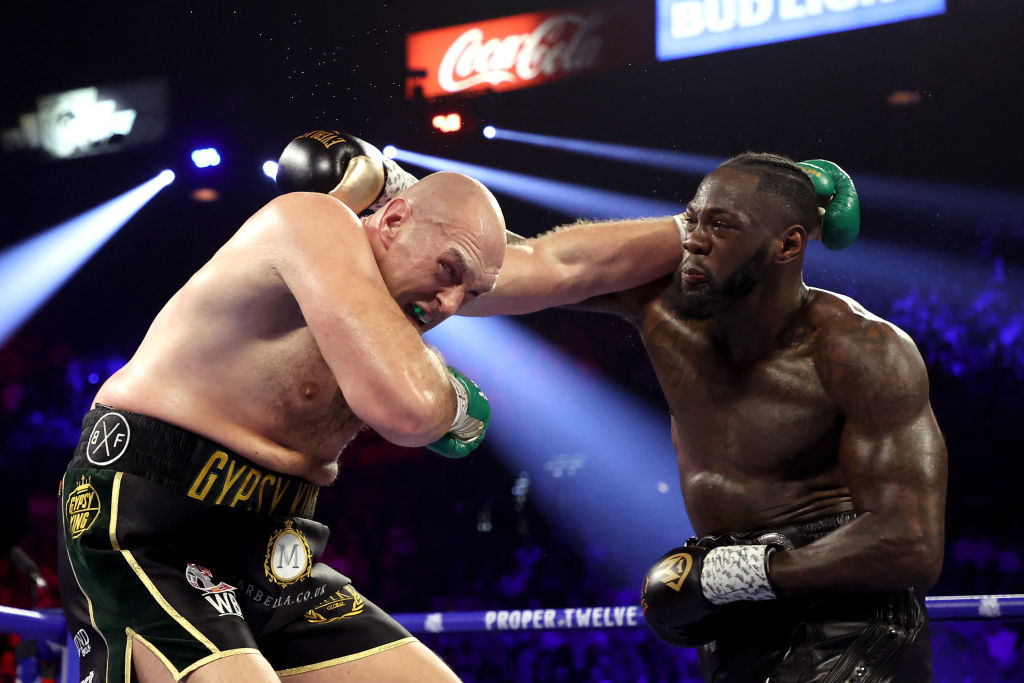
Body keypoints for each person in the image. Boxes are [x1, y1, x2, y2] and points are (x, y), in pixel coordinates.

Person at [57, 131, 688, 683]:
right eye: (448, 272)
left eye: (469, 291)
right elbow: (410, 411)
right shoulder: (308, 222)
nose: (450, 303)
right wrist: (458, 399)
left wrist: (702, 228)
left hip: (273, 547)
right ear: (391, 220)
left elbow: (563, 264)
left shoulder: (435, 272)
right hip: (146, 521)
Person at [463, 153, 947, 681]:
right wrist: (394, 194)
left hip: (849, 612)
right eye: (691, 219)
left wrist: (737, 574)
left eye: (721, 225)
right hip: (734, 616)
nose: (692, 240)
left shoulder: (859, 348)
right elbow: (507, 265)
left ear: (788, 245)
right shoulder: (662, 307)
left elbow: (911, 542)